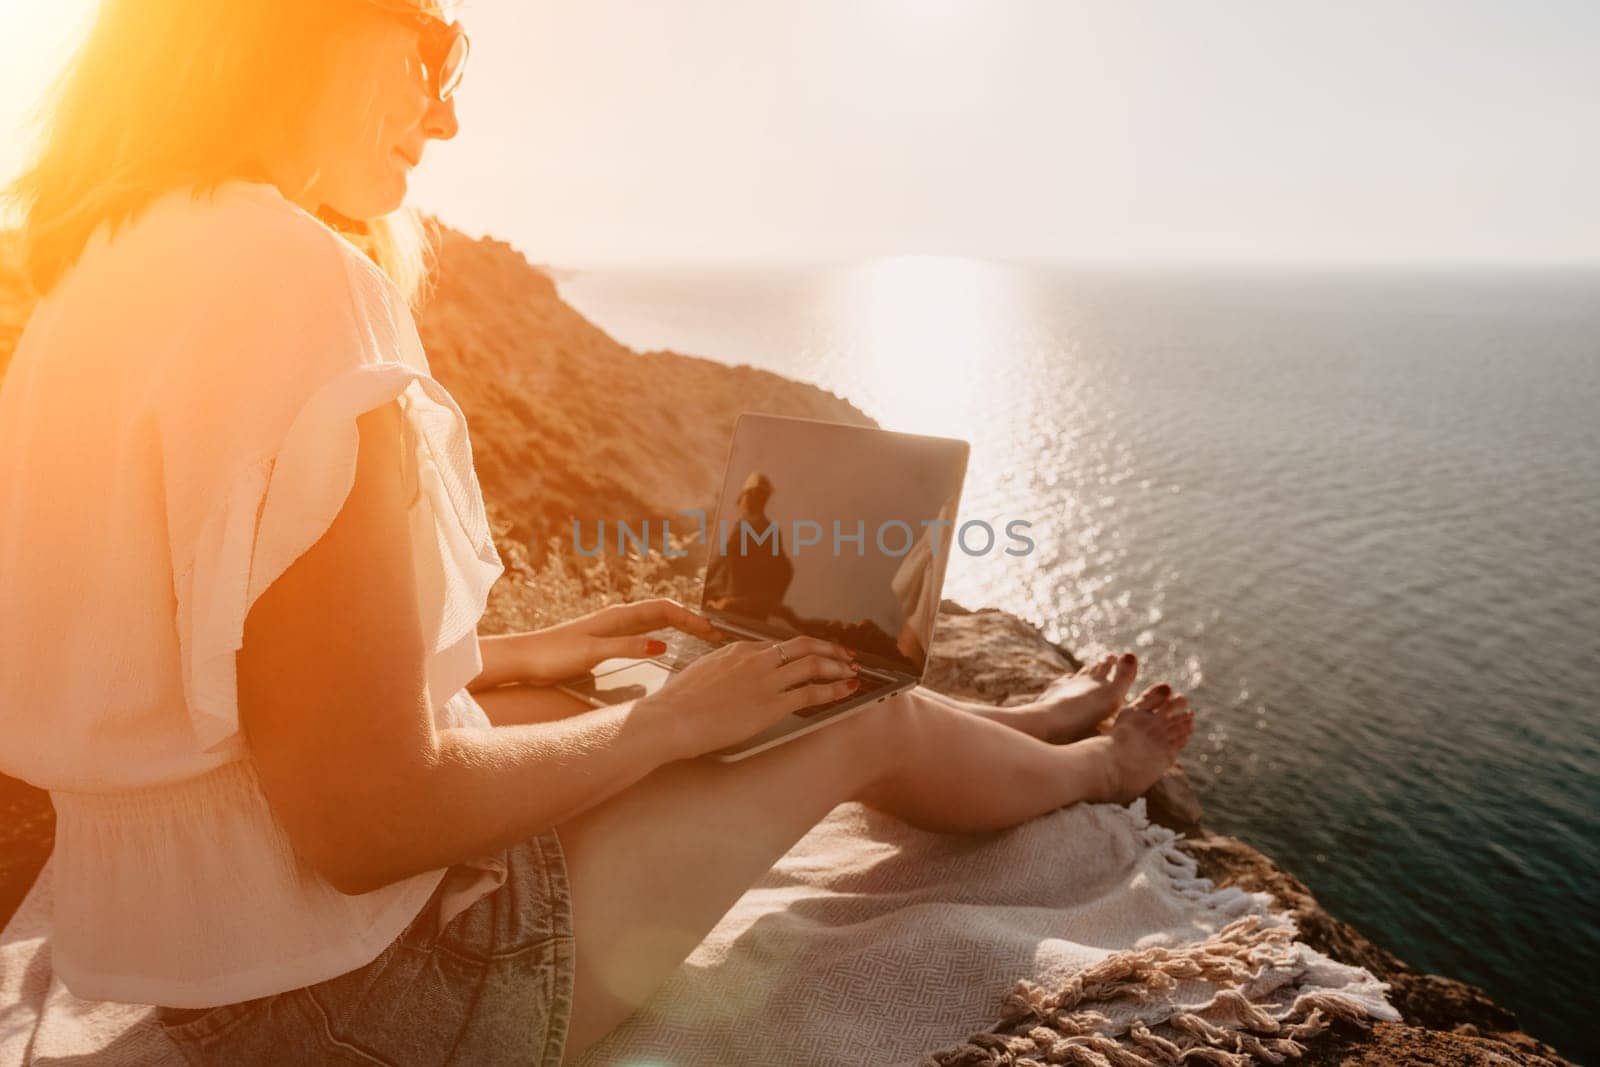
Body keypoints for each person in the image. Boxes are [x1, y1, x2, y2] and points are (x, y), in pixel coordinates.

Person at [0, 1, 1196, 1063]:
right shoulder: (297, 280)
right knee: (850, 712)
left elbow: (215, 674)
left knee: (637, 691)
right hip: (375, 1010)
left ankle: (1021, 721)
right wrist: (663, 723)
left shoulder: (93, 277)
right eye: (433, 45)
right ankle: (1093, 765)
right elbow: (370, 823)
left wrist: (528, 659)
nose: (445, 116)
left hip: (201, 966)